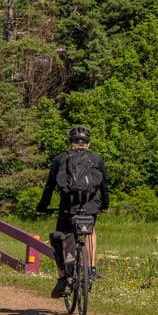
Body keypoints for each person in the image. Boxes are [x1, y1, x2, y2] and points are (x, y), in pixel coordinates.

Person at [37, 125, 109, 298]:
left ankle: (62, 278)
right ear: (88, 144)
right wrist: (105, 205)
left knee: (60, 236)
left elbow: (49, 187)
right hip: (90, 207)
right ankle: (91, 268)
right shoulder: (96, 160)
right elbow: (104, 186)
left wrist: (42, 207)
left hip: (68, 208)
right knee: (90, 232)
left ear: (69, 143)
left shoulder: (60, 159)